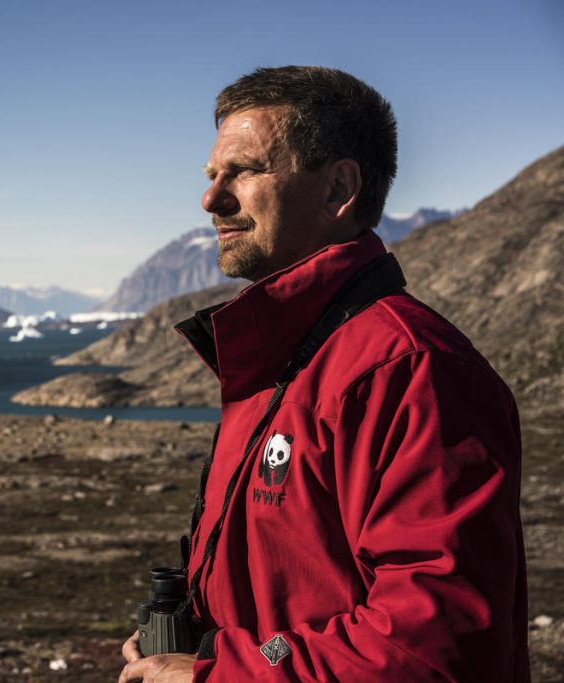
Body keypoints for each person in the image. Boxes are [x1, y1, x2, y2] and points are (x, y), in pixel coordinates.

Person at [118, 66, 528, 682]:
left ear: (340, 188)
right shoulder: (287, 360)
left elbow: (433, 642)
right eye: (211, 176)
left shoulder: (410, 370)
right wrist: (190, 645)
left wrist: (218, 675)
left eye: (246, 170)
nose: (211, 199)